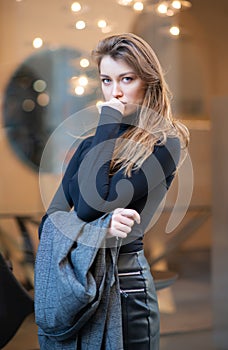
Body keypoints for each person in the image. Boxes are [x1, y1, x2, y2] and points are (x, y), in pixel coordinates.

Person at [38, 33, 189, 349]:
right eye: (106, 80)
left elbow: (93, 204)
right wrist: (100, 229)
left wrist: (108, 120)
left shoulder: (165, 143)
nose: (115, 92)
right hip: (81, 281)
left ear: (148, 81)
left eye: (126, 79)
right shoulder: (87, 146)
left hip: (125, 287)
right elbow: (50, 222)